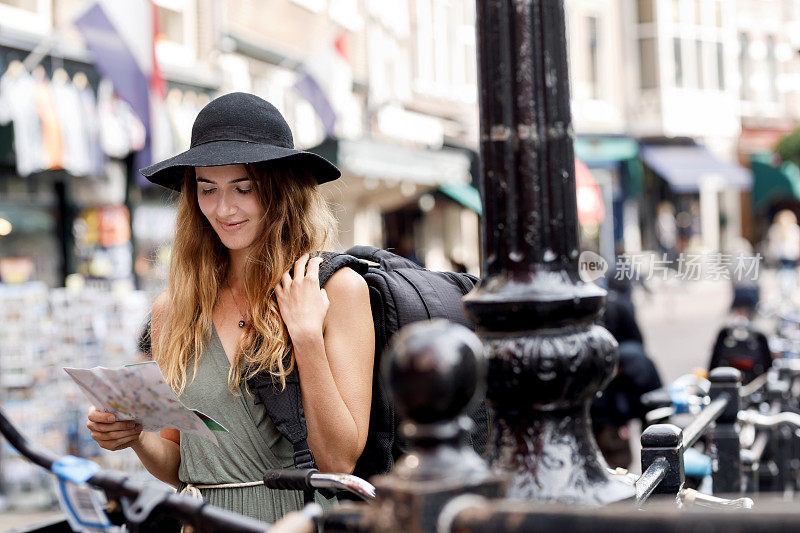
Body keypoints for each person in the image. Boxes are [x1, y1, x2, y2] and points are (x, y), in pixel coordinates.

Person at [84, 92, 375, 523]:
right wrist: (133, 436)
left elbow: (338, 464)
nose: (223, 209)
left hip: (295, 524)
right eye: (208, 189)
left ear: (282, 191)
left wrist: (307, 337)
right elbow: (179, 466)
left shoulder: (336, 289)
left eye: (244, 188)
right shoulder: (174, 310)